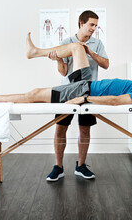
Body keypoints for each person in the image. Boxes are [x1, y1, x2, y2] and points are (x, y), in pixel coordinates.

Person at [0, 34, 132, 180]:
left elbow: (116, 101)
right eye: (91, 25)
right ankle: (34, 52)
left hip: (83, 90)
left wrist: (86, 98)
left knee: (35, 94)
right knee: (76, 48)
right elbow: (66, 70)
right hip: (85, 84)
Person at [46, 10, 109, 181]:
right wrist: (58, 59)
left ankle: (81, 166)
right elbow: (64, 71)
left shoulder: (97, 43)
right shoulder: (67, 42)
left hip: (88, 92)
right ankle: (58, 167)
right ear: (81, 23)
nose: (94, 28)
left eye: (96, 25)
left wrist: (90, 53)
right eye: (91, 25)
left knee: (84, 129)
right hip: (67, 91)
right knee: (60, 129)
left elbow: (106, 64)